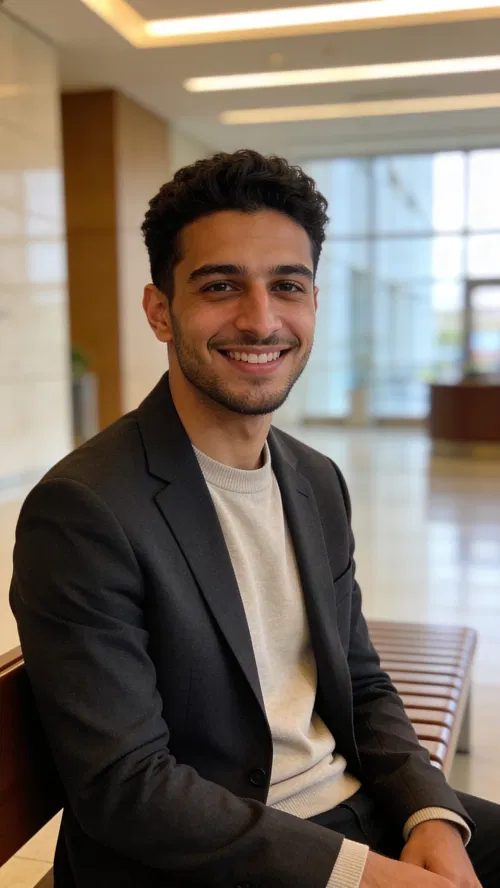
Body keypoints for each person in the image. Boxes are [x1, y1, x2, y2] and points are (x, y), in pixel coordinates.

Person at [10, 150, 499, 888]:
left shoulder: (314, 478)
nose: (261, 319)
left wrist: (428, 816)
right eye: (220, 285)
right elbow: (127, 788)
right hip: (200, 858)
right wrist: (365, 877)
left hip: (346, 811)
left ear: (313, 303)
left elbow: (362, 683)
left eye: (287, 286)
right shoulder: (84, 509)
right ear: (159, 310)